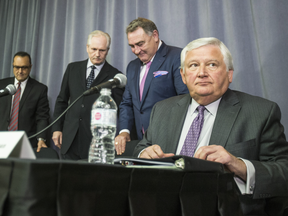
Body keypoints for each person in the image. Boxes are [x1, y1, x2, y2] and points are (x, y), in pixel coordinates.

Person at [133, 37, 288, 215]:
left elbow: (284, 171)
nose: (201, 73)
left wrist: (238, 165)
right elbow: (142, 147)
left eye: (212, 64)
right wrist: (143, 154)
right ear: (183, 76)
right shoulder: (162, 109)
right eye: (193, 65)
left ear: (229, 74)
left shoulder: (261, 112)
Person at [115, 17, 189, 155]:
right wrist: (124, 131)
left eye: (140, 44)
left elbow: (185, 100)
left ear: (155, 35)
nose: (137, 51)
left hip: (170, 141)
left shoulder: (177, 56)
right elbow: (127, 103)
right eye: (132, 46)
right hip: (141, 144)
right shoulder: (132, 67)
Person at [52, 30, 124, 160]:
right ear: (87, 47)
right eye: (94, 49)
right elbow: (62, 100)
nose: (97, 54)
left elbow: (119, 110)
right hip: (69, 139)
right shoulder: (72, 69)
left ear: (107, 50)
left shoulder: (115, 76)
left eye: (102, 50)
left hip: (96, 144)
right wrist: (57, 129)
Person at [0, 51, 50, 152]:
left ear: (30, 67)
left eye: (24, 67)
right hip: (2, 139)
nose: (20, 71)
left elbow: (42, 117)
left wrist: (41, 138)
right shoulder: (2, 85)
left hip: (25, 142)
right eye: (16, 67)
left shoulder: (39, 89)